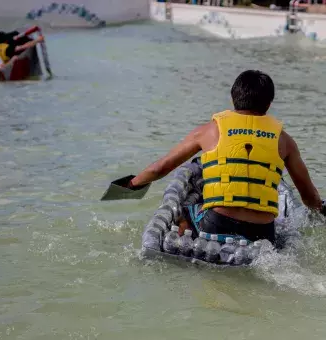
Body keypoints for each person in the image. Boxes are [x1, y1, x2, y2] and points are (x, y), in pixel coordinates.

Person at [127, 70, 323, 243]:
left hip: (217, 223)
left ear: (233, 99)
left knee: (182, 209)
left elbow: (159, 169)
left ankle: (185, 245)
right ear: (269, 104)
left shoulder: (210, 131)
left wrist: (131, 185)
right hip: (262, 231)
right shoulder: (284, 140)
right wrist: (320, 210)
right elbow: (309, 197)